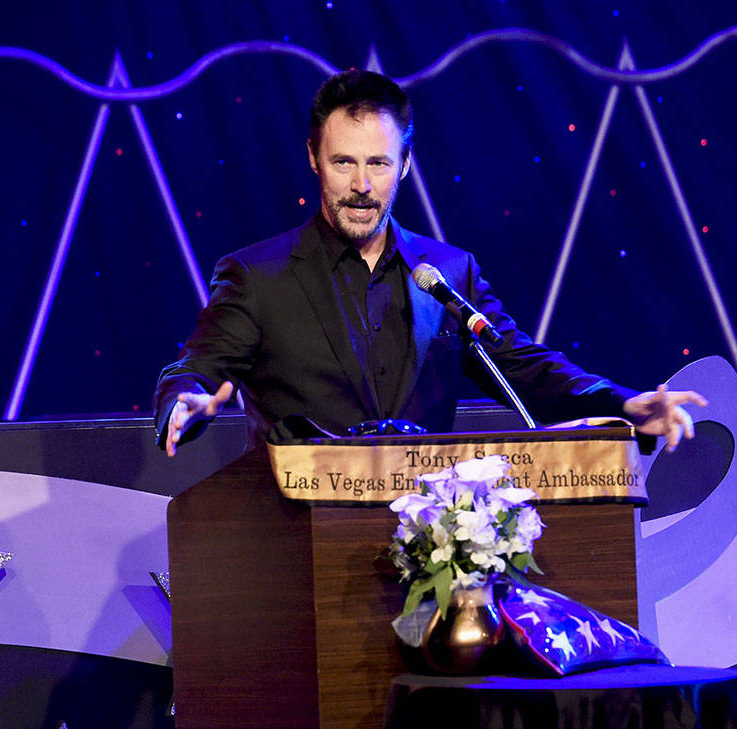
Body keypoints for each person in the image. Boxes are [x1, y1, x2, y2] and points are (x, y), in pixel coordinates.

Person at [154, 69, 705, 456]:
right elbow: (192, 372)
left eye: (379, 163)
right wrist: (185, 406)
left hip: (425, 554)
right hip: (301, 549)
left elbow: (523, 367)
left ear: (406, 165)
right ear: (313, 160)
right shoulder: (258, 277)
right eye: (343, 162)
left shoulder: (448, 275)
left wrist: (625, 404)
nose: (362, 185)